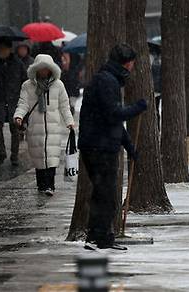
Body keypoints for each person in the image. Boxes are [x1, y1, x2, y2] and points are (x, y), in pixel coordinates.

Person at [79, 44, 147, 250]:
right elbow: (114, 114)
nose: (134, 67)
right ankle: (100, 238)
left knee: (103, 193)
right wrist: (138, 108)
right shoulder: (106, 81)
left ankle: (97, 236)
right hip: (98, 146)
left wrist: (129, 147)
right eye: (133, 62)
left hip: (99, 144)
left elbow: (114, 122)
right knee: (106, 195)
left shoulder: (108, 79)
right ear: (127, 63)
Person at [13, 54, 74, 196]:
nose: (44, 72)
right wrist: (18, 116)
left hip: (53, 128)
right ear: (36, 69)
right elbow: (23, 103)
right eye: (41, 69)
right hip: (35, 127)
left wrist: (69, 121)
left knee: (52, 157)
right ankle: (41, 185)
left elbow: (64, 106)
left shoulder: (58, 85)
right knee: (39, 158)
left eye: (46, 69)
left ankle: (50, 186)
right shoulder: (27, 86)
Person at [0, 39, 27, 165]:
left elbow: (24, 81)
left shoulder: (17, 63)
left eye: (4, 48)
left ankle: (14, 155)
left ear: (9, 49)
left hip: (13, 100)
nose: (1, 51)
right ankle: (1, 153)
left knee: (14, 128)